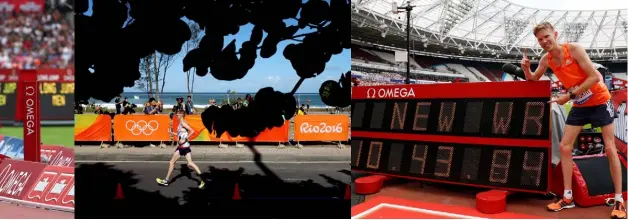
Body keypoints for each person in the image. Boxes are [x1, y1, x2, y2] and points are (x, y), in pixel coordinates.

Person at [522, 22, 624, 218]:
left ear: (555, 34)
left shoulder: (574, 49)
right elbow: (534, 78)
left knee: (610, 148)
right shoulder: (547, 59)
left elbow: (594, 77)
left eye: (546, 37)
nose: (544, 41)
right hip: (580, 104)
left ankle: (619, 199)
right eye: (540, 39)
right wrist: (527, 69)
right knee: (565, 147)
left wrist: (569, 95)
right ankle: (567, 197)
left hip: (600, 101)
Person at [156, 112, 205, 188]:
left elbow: (192, 131)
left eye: (178, 115)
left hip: (183, 147)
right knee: (190, 163)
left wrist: (184, 139)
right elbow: (180, 134)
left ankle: (166, 181)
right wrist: (172, 133)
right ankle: (203, 179)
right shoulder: (181, 123)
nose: (177, 116)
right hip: (185, 146)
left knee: (171, 162)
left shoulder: (183, 123)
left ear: (181, 115)